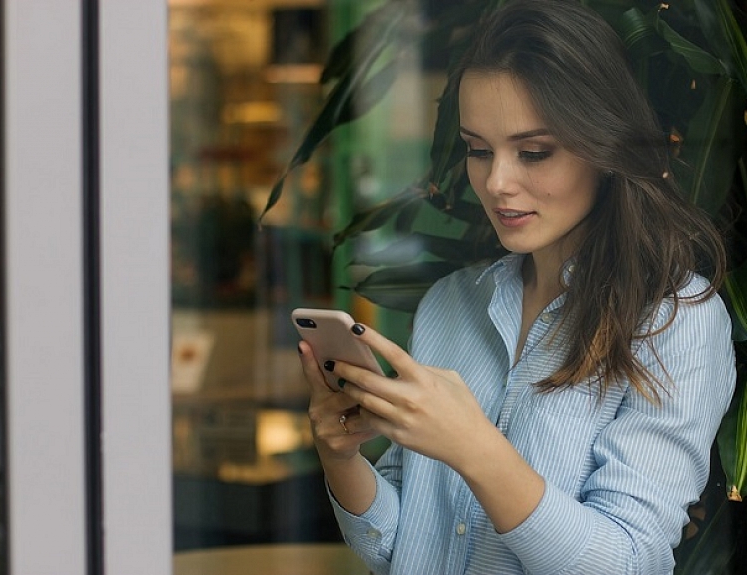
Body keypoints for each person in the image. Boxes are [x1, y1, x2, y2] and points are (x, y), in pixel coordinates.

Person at [296, 1, 737, 573]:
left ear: (603, 147)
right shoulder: (452, 303)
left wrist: (475, 449)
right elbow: (398, 545)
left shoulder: (676, 321)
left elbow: (628, 561)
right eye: (478, 150)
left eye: (533, 152)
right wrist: (342, 456)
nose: (497, 182)